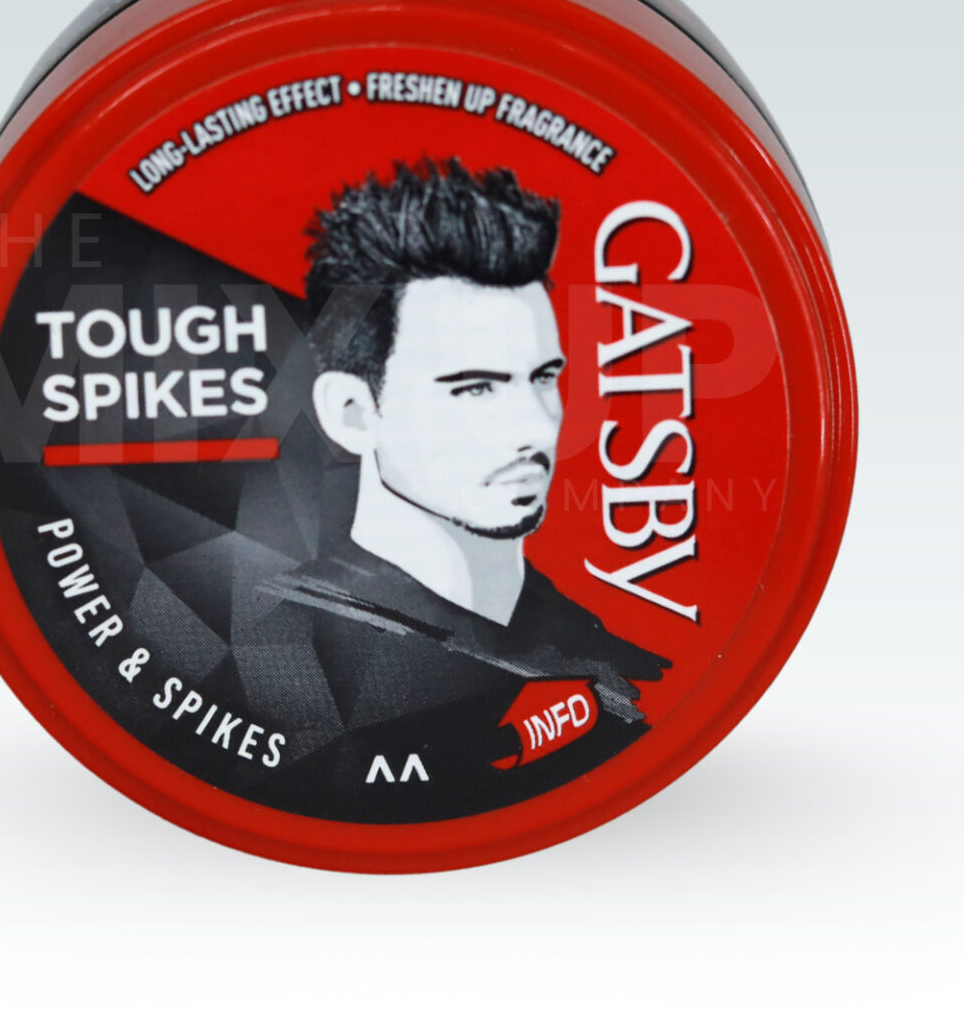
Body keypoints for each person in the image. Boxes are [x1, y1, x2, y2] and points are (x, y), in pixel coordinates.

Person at [234, 159, 666, 820]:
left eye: (543, 378)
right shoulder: (274, 655)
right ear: (353, 413)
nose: (536, 424)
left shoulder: (605, 657)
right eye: (475, 388)